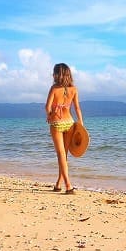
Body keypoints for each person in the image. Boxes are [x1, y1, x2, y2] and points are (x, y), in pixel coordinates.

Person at [45, 63, 84, 194]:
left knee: (61, 155)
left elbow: (47, 107)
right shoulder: (74, 89)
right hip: (70, 123)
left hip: (57, 123)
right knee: (64, 156)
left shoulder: (54, 89)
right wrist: (81, 124)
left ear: (57, 74)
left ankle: (68, 185)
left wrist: (50, 115)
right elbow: (77, 108)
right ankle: (58, 184)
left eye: (54, 73)